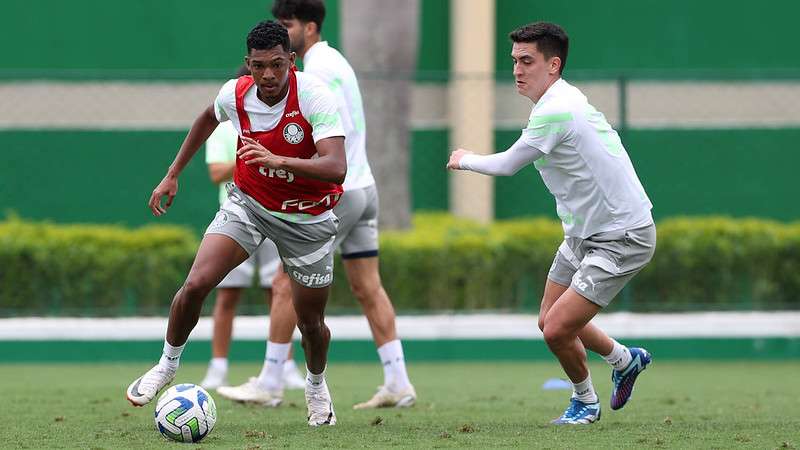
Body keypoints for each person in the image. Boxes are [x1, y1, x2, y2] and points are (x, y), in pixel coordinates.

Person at [126, 20, 347, 427]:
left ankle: (316, 386)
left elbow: (336, 168)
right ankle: (167, 364)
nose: (268, 75)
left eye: (277, 65)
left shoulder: (314, 95)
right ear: (248, 63)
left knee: (311, 323)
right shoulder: (235, 92)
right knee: (195, 284)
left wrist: (280, 161)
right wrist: (172, 173)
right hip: (248, 205)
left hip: (306, 216)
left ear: (291, 62)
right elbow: (205, 120)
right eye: (259, 65)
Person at [447, 22, 656, 425]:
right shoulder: (556, 100)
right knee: (549, 322)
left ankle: (586, 403)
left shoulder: (557, 108)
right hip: (582, 235)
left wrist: (464, 158)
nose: (517, 70)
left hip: (622, 236)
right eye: (514, 62)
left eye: (527, 61)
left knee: (557, 329)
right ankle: (625, 360)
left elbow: (508, 164)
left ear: (553, 65)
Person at [218, 0, 416, 410]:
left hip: (340, 191)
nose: (281, 32)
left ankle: (271, 381)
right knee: (367, 286)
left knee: (285, 280)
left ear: (309, 28)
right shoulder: (336, 60)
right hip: (366, 188)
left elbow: (316, 144)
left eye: (287, 25)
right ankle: (398, 381)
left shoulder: (311, 74)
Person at [199, 64, 305, 392]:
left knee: (280, 290)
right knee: (227, 295)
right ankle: (218, 367)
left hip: (276, 216)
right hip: (238, 218)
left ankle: (284, 366)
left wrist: (274, 157)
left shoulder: (284, 121)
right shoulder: (224, 127)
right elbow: (216, 173)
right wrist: (251, 157)